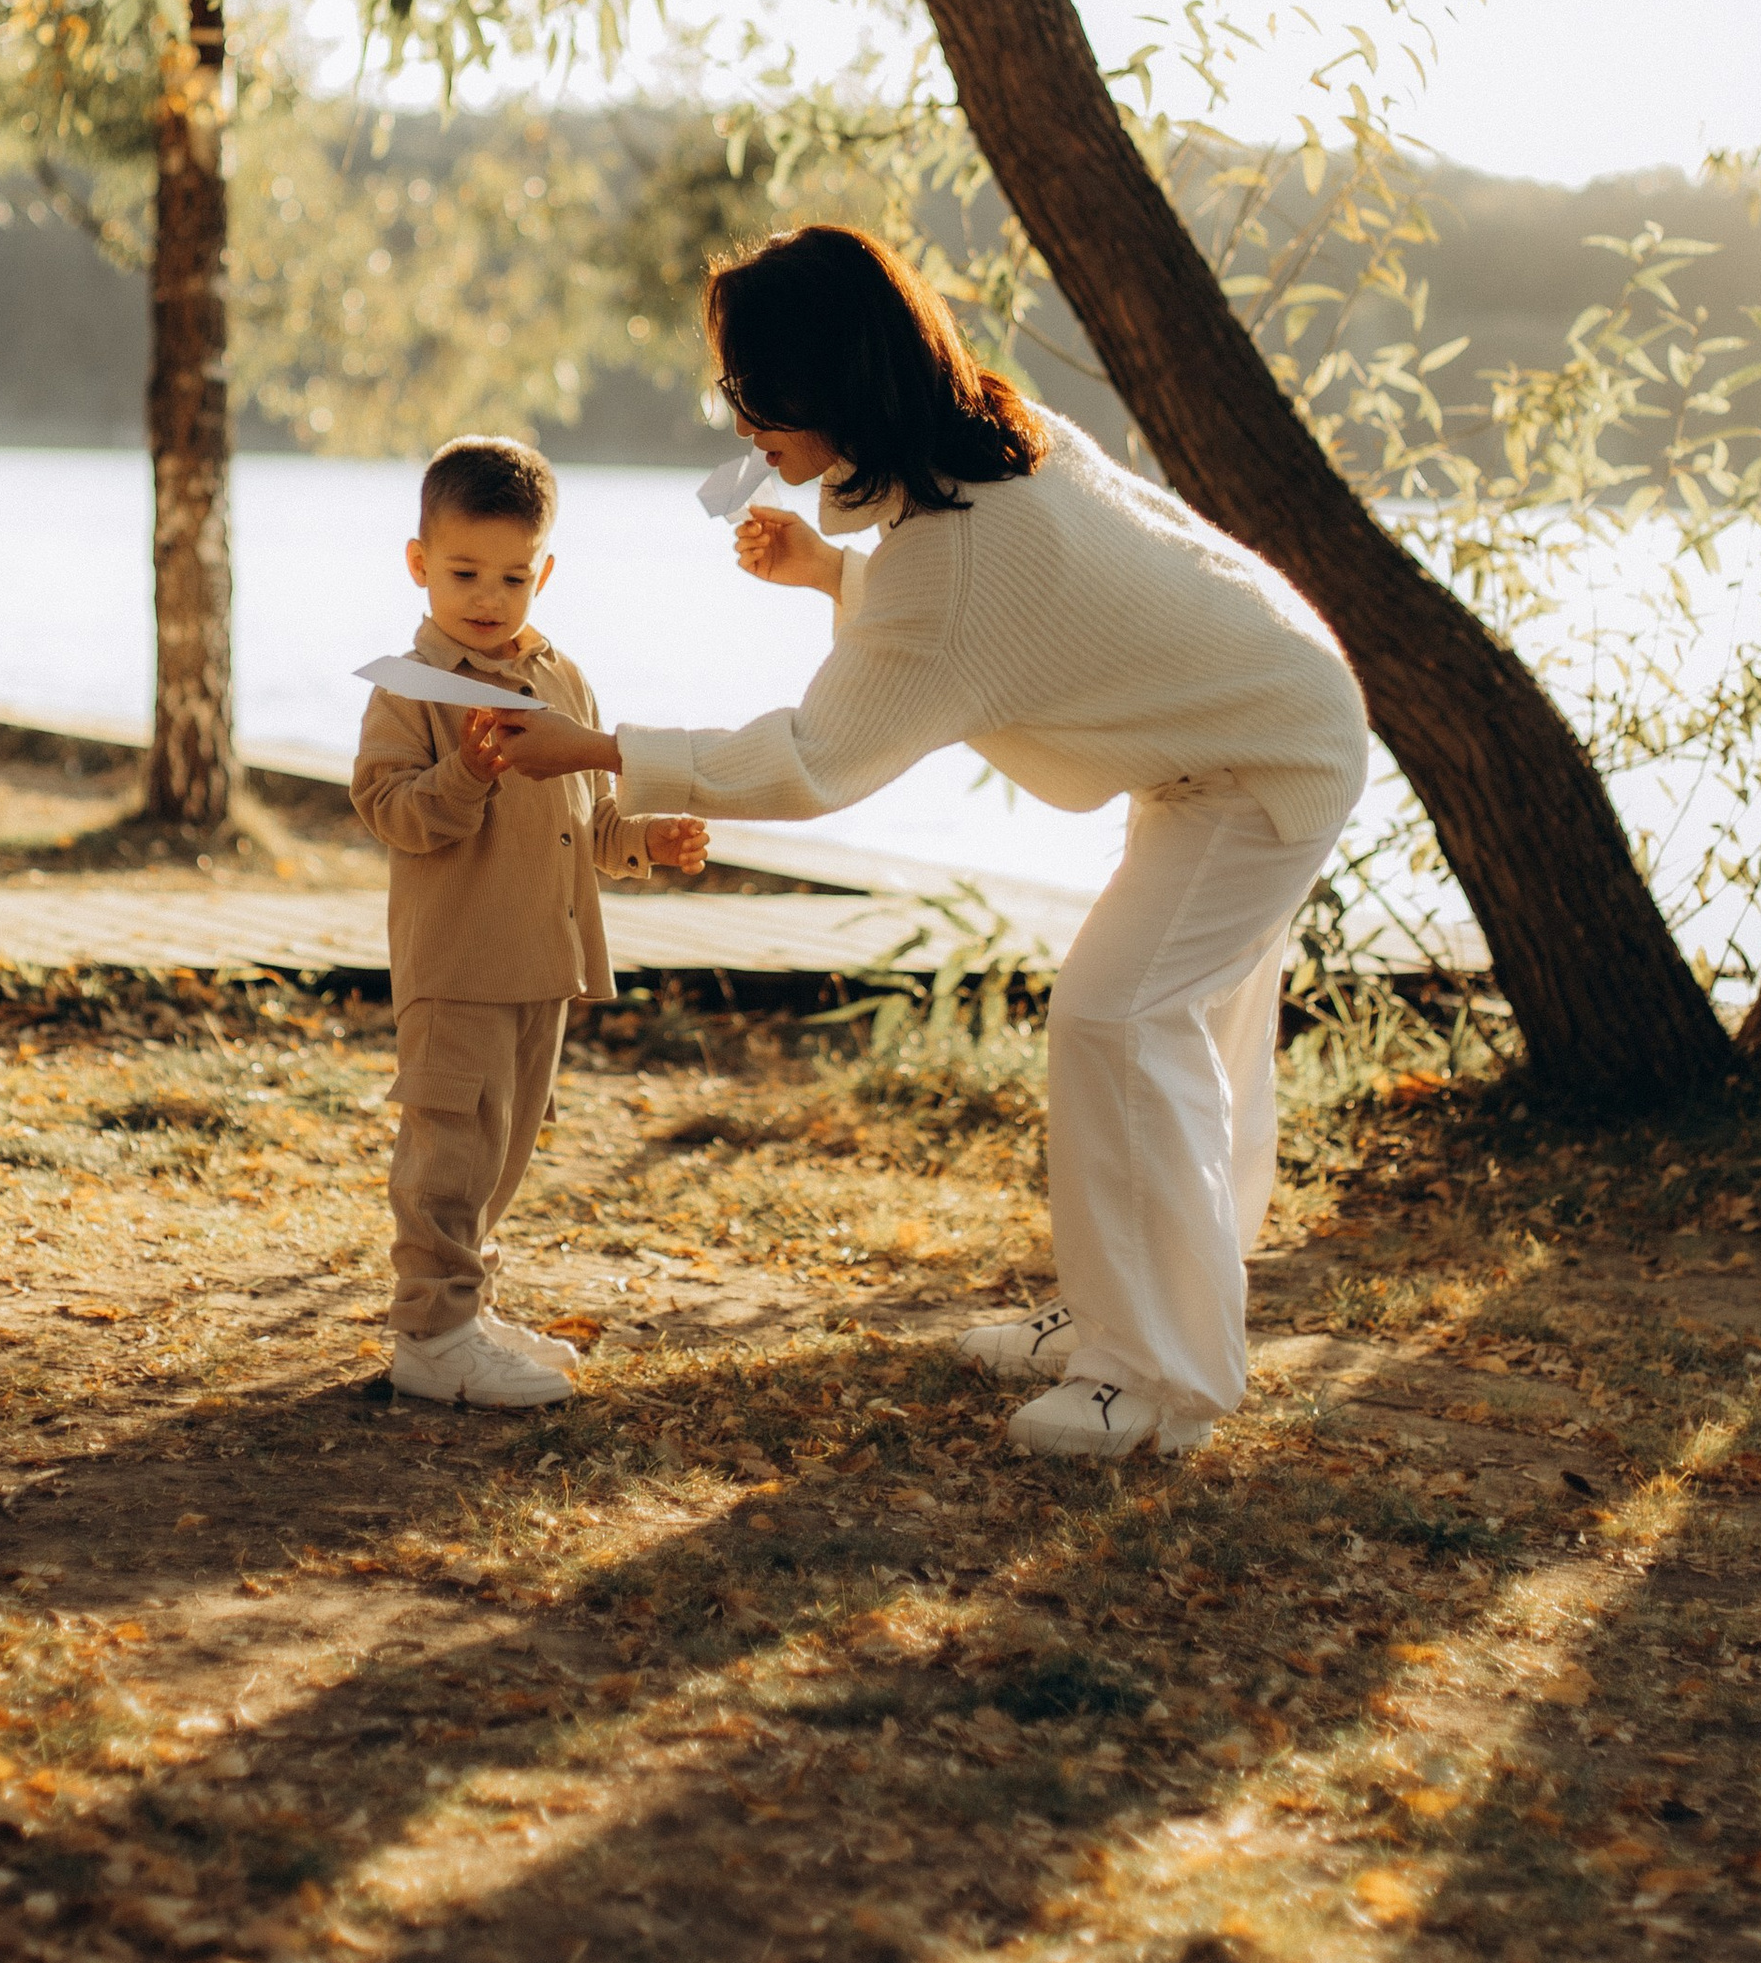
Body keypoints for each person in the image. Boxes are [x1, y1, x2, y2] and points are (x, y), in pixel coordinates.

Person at [482, 228, 1369, 1466]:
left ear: (833, 380)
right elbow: (981, 630)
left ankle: (1157, 1380)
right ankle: (1119, 1317)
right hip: (1251, 726)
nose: (741, 429)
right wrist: (830, 572)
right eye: (728, 394)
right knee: (1171, 1035)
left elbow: (814, 756)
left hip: (1259, 766)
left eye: (753, 395)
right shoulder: (987, 444)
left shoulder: (949, 547)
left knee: (1119, 1023)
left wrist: (597, 751)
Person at [351, 431, 709, 1409]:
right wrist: (465, 770)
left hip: (542, 962)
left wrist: (647, 842)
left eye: (512, 576)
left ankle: (468, 1306)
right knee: (449, 1146)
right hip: (458, 962)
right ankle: (430, 1331)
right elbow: (391, 814)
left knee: (502, 1148)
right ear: (420, 565)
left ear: (543, 571)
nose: (487, 596)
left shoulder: (562, 677)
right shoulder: (413, 686)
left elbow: (585, 825)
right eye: (463, 572)